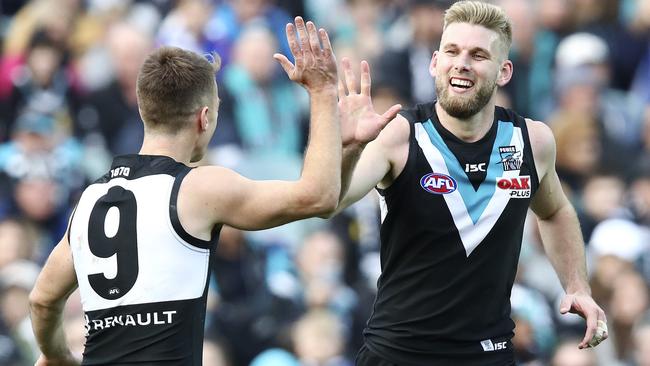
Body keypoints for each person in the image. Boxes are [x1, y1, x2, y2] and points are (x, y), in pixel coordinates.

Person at [28, 16, 340, 366]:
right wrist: (323, 93)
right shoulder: (197, 187)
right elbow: (320, 196)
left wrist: (59, 357)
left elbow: (42, 300)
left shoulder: (90, 199)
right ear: (204, 118)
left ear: (145, 110)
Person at [332, 1, 608, 365]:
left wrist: (577, 286)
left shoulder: (532, 141)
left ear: (504, 71)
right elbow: (331, 199)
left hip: (489, 354)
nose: (462, 62)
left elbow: (554, 210)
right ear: (435, 63)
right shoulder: (400, 137)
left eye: (478, 54)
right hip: (400, 354)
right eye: (452, 51)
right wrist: (349, 148)